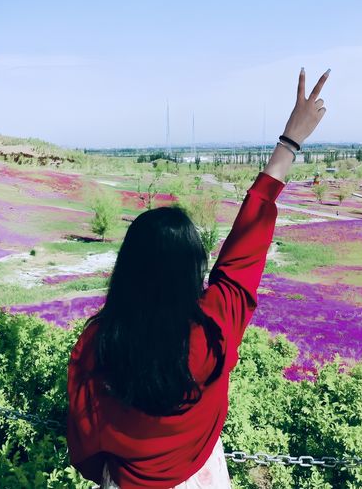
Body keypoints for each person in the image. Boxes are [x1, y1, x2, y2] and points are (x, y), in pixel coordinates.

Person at [67, 68, 330, 488]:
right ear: (191, 271)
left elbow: (83, 442)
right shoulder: (214, 326)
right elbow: (245, 250)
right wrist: (290, 142)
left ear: (127, 270)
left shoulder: (97, 343)